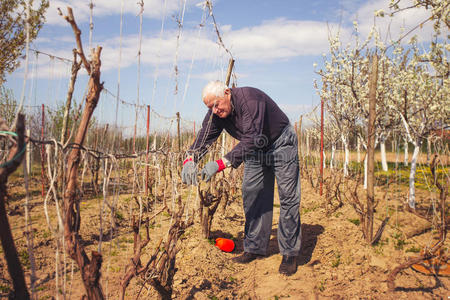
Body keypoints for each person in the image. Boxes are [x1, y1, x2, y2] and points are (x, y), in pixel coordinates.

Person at [181, 81, 301, 276]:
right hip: (254, 149)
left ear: (227, 92)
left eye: (217, 104)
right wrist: (190, 158)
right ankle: (254, 247)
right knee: (252, 193)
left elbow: (253, 137)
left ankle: (289, 253)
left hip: (281, 143)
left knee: (288, 197)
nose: (215, 110)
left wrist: (220, 164)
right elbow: (205, 136)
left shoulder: (250, 99)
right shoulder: (216, 113)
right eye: (210, 107)